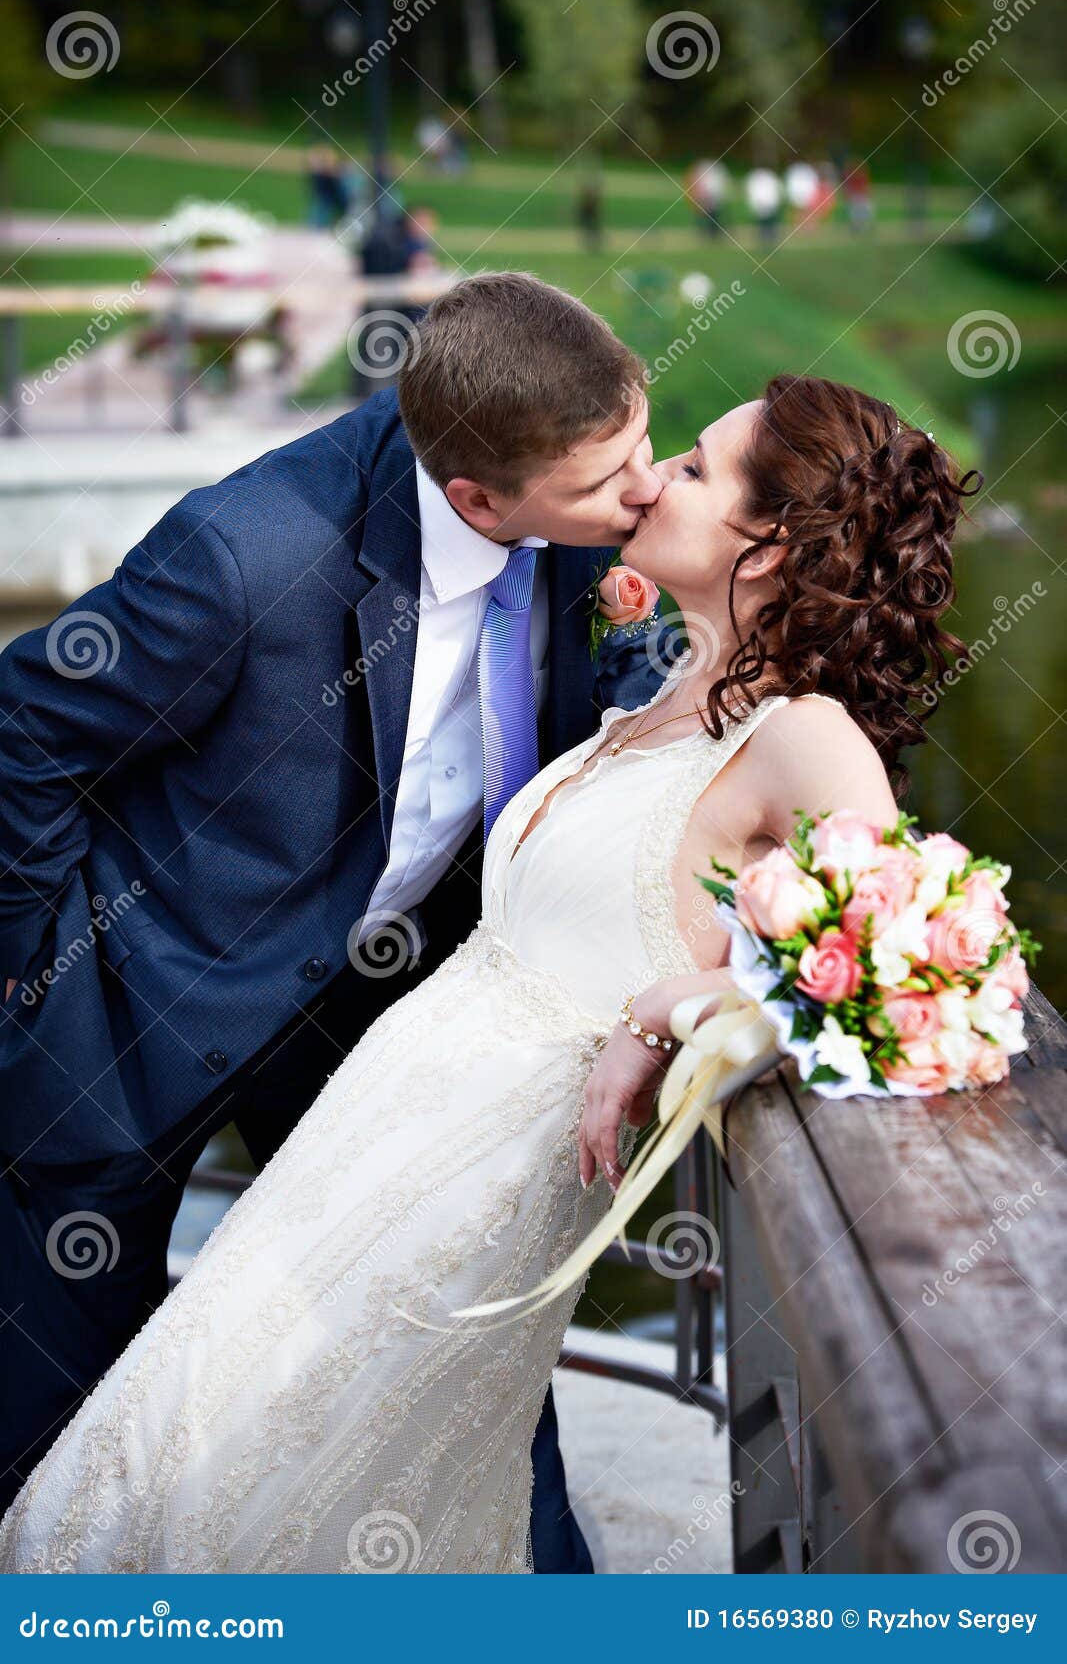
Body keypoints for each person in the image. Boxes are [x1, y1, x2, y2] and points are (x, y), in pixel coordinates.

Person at [0, 373, 977, 1572]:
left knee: (201, 1481)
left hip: (465, 1199)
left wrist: (703, 1002)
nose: (648, 478)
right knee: (174, 1471)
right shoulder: (665, 680)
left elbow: (910, 978)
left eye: (693, 468)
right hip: (355, 1148)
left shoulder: (803, 735)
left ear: (767, 543)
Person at [0, 273, 666, 1572]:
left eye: (641, 451)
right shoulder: (245, 553)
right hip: (137, 1006)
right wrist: (37, 981)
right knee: (52, 1405)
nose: (640, 492)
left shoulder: (573, 489)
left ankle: (552, 1608)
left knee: (444, 1320)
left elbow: (608, 697)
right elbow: (22, 734)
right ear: (476, 500)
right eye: (606, 482)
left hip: (369, 1006)